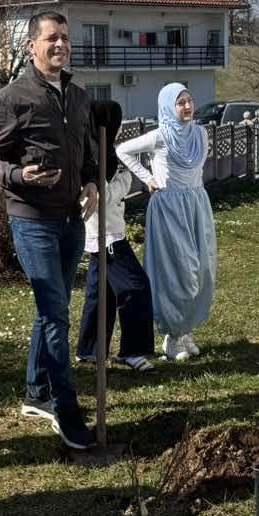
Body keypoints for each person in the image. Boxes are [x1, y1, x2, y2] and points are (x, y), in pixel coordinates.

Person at [0, 11, 99, 449]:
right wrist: (21, 176)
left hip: (70, 219)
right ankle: (66, 409)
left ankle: (35, 392)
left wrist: (90, 181)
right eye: (51, 39)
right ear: (32, 46)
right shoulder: (13, 99)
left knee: (53, 309)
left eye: (65, 38)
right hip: (32, 220)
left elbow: (86, 151)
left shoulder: (79, 97)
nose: (60, 45)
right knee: (56, 315)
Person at [116, 83, 217, 362]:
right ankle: (172, 337)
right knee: (180, 272)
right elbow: (123, 150)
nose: (187, 106)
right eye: (180, 102)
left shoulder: (200, 133)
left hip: (196, 205)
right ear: (168, 108)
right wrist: (148, 178)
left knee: (202, 269)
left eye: (189, 100)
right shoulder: (159, 137)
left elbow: (196, 168)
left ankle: (185, 330)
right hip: (169, 207)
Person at [76, 99, 156, 372]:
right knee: (136, 287)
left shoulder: (104, 150)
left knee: (102, 294)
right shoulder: (94, 155)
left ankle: (89, 349)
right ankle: (132, 351)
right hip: (106, 236)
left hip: (106, 231)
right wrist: (124, 181)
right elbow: (101, 197)